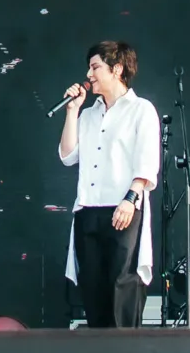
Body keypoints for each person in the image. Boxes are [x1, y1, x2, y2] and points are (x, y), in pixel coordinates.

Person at [59, 39, 162, 327]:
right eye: (89, 68)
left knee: (122, 285)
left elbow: (146, 162)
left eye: (95, 67)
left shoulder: (141, 109)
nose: (89, 74)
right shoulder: (89, 114)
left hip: (123, 208)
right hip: (88, 210)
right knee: (92, 288)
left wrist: (131, 198)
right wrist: (72, 111)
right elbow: (68, 156)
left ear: (116, 69)